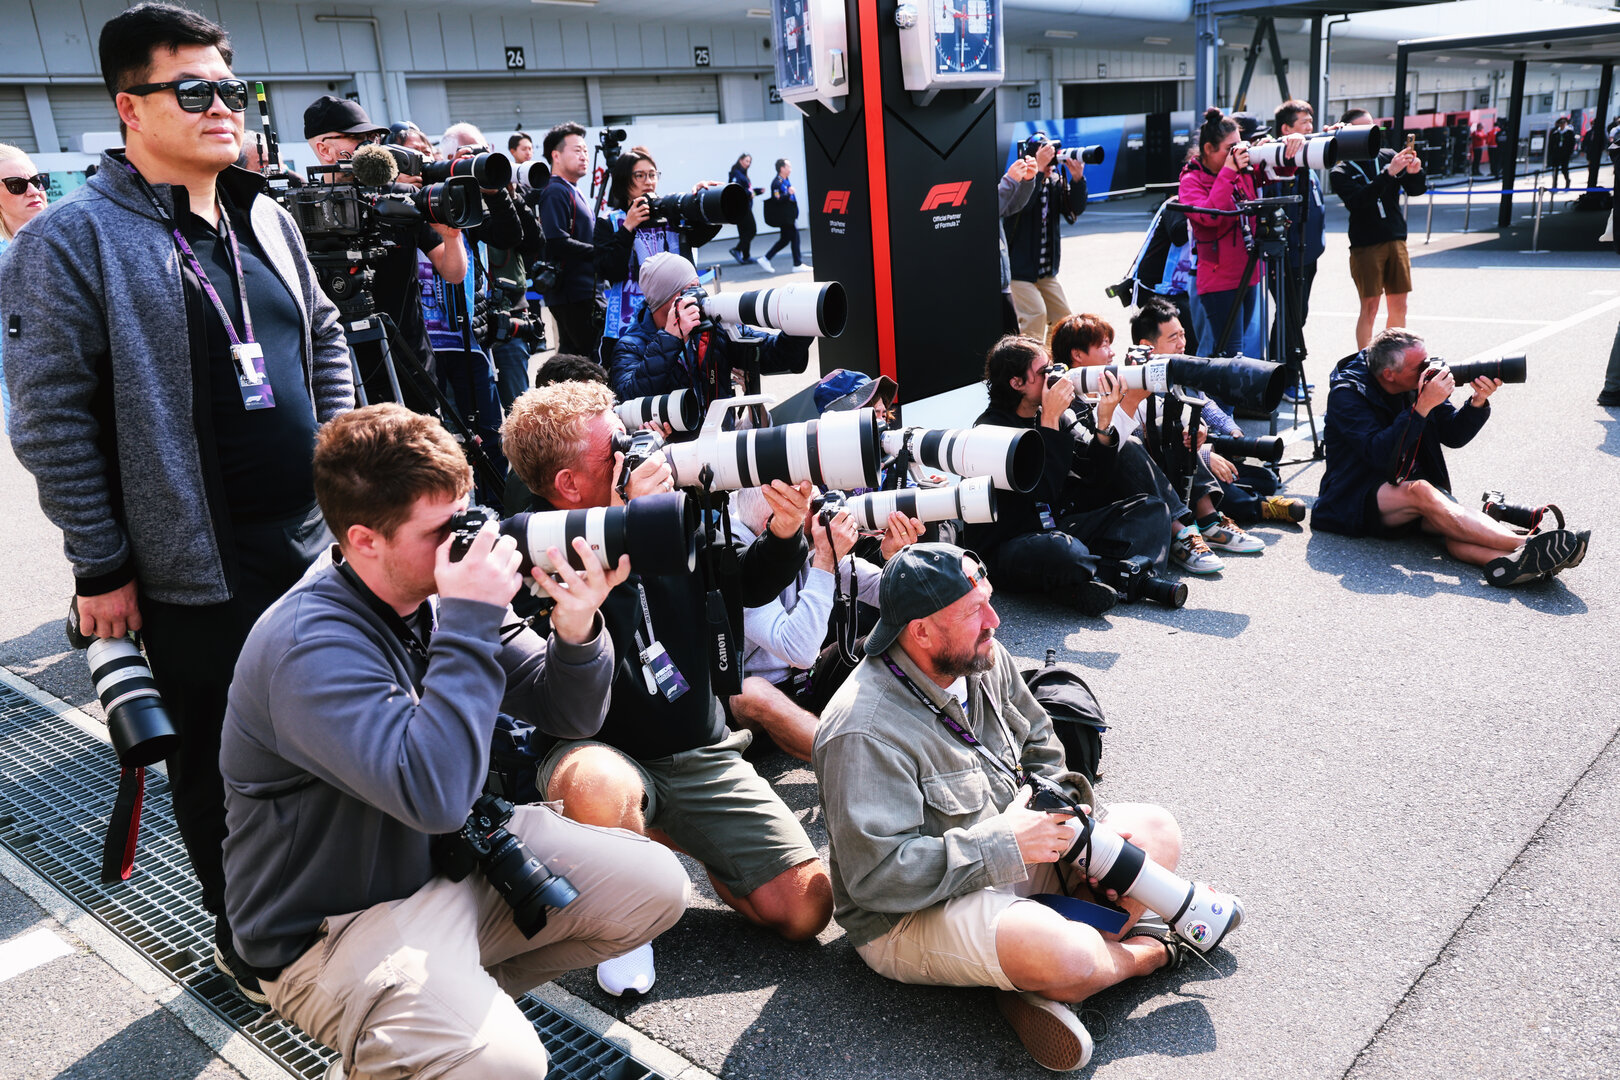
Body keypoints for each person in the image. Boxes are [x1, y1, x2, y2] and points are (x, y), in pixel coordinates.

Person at [0, 1, 353, 1002]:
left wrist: (352, 466)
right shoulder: (69, 242)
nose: (220, 109)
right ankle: (249, 941)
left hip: (315, 536)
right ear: (129, 106)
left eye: (230, 91)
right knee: (224, 760)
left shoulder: (264, 214)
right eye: (191, 91)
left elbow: (323, 340)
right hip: (195, 559)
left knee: (325, 732)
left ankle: (325, 902)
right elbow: (51, 421)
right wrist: (101, 565)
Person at [220, 403, 687, 1079]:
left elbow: (568, 710)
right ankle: (433, 1041)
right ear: (365, 539)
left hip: (450, 868)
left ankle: (426, 1036)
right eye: (443, 530)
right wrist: (470, 616)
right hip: (332, 926)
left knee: (654, 888)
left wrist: (579, 623)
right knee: (507, 1066)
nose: (468, 544)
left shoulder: (437, 590)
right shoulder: (309, 646)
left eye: (467, 516)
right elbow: (435, 794)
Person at [813, 544, 1205, 1072]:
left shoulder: (979, 655)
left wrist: (1076, 824)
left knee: (1158, 830)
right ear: (920, 630)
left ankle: (1029, 976)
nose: (994, 621)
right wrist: (1007, 843)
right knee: (1071, 957)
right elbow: (878, 879)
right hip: (908, 913)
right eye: (974, 610)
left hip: (1015, 849)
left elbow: (1041, 742)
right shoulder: (863, 728)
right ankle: (1146, 952)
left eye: (989, 601)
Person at [500, 381, 833, 958]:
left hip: (698, 750)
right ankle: (626, 921)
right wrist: (623, 526)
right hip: (600, 756)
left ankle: (675, 834)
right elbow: (581, 683)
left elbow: (739, 590)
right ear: (568, 483)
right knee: (600, 786)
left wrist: (784, 531)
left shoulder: (665, 509)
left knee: (807, 910)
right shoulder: (530, 551)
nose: (635, 452)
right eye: (613, 450)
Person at [1314, 330, 1588, 585]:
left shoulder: (1416, 379)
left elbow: (1453, 435)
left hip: (1404, 485)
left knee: (1453, 528)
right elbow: (1379, 455)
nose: (1430, 369)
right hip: (1353, 496)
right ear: (1389, 374)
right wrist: (1422, 406)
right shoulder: (1347, 394)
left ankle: (1521, 563)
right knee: (1421, 491)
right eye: (1420, 366)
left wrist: (1477, 401)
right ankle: (1527, 544)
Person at [968, 335, 1171, 612]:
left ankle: (1102, 579)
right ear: (1016, 383)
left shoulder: (1055, 414)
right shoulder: (990, 430)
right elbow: (1041, 495)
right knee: (1065, 551)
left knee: (1152, 509)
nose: (1054, 379)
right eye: (1044, 373)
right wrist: (1049, 423)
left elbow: (1094, 477)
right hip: (1011, 545)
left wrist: (1103, 422)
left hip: (1056, 526)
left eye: (1053, 368)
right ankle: (1104, 577)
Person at [1050, 311, 1258, 573]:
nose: (1112, 353)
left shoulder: (1112, 381)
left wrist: (1194, 426)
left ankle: (1207, 520)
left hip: (1137, 482)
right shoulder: (1065, 400)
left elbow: (1164, 407)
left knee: (1172, 425)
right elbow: (1095, 454)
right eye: (1103, 345)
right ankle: (1181, 534)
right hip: (1096, 492)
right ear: (1077, 355)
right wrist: (1123, 406)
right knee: (1128, 445)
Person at [725, 484, 922, 760]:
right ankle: (853, 761)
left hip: (808, 680)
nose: (823, 509)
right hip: (751, 711)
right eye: (811, 504)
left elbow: (895, 596)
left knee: (910, 632)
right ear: (775, 521)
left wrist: (895, 558)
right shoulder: (734, 559)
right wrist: (826, 559)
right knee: (752, 691)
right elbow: (800, 651)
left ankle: (944, 727)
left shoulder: (806, 540)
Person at [305, 96, 466, 411]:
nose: (369, 146)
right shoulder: (302, 210)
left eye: (372, 138)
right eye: (356, 138)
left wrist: (452, 237)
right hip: (343, 370)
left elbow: (453, 273)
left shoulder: (400, 198)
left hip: (410, 359)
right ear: (324, 148)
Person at [1126, 300, 1306, 527]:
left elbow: (1207, 406)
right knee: (1213, 487)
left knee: (1265, 479)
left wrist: (1233, 432)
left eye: (1183, 334)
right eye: (1173, 338)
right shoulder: (1136, 380)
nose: (1182, 343)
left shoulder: (1180, 367)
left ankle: (1239, 495)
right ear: (1146, 346)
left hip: (1198, 452)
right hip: (1169, 468)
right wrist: (1206, 458)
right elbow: (1151, 447)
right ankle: (1259, 507)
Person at [609, 251, 809, 407]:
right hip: (675, 451)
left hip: (722, 440)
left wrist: (802, 319)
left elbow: (777, 355)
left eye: (698, 286)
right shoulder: (630, 346)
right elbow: (628, 399)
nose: (699, 295)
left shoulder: (714, 329)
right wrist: (670, 337)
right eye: (690, 289)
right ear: (667, 298)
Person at [1179, 108, 1303, 359]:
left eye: (1241, 144)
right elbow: (1211, 216)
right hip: (1219, 281)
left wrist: (1289, 147)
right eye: (1230, 147)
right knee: (1230, 353)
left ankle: (1227, 398)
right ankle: (1220, 400)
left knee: (1237, 352)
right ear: (1208, 150)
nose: (1238, 152)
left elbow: (1279, 173)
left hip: (1249, 275)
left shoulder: (1242, 169)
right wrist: (1228, 171)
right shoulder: (1191, 181)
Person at [596, 147, 723, 365]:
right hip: (628, 325)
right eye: (640, 175)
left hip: (682, 315)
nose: (649, 181)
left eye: (652, 174)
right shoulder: (610, 221)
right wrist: (627, 228)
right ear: (624, 181)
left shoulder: (672, 214)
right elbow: (610, 270)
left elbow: (704, 232)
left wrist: (705, 200)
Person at [1329, 109, 1426, 351]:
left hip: (1395, 238)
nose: (1371, 133)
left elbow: (1415, 190)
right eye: (1363, 129)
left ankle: (1395, 357)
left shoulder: (1387, 156)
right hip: (1366, 244)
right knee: (1370, 306)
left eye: (1374, 128)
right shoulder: (1341, 170)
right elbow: (1359, 202)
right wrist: (1388, 174)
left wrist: (1415, 173)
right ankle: (1364, 364)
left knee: (1399, 305)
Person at [1004, 134, 1086, 344]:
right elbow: (1023, 205)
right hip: (1019, 270)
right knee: (1035, 315)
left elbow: (1074, 211)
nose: (1050, 164)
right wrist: (1037, 172)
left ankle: (1051, 358)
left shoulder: (1054, 182)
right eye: (1045, 157)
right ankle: (1028, 365)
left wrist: (1077, 180)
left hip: (1045, 271)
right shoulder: (1020, 181)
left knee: (1064, 319)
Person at [1270, 100, 1327, 402]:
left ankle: (1287, 375)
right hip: (1286, 257)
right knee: (1289, 317)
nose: (1309, 127)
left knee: (1297, 315)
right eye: (1303, 122)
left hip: (1307, 255)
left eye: (1310, 120)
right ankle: (1285, 380)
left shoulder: (1308, 155)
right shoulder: (1280, 159)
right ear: (1286, 128)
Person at [0, 142, 50, 434]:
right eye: (17, 185)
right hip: (33, 410)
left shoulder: (78, 237)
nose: (33, 190)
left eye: (36, 180)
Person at [537, 121, 598, 357]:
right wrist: (599, 251)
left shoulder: (571, 188)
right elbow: (555, 240)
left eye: (586, 150)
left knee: (573, 357)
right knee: (587, 359)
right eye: (577, 150)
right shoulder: (555, 190)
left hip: (583, 291)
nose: (584, 156)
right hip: (573, 293)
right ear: (556, 155)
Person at [998, 151, 1038, 333]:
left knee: (1012, 343)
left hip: (1002, 284)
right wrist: (1010, 181)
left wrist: (1028, 181)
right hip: (982, 285)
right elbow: (984, 210)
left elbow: (1012, 206)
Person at [759, 157, 809, 272]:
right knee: (795, 237)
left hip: (789, 216)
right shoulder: (777, 182)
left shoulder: (786, 179)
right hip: (785, 217)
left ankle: (766, 258)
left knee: (785, 239)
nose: (790, 169)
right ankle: (797, 264)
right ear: (782, 168)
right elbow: (777, 199)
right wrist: (788, 193)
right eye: (789, 166)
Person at [727, 152, 762, 265]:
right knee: (752, 230)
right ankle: (737, 250)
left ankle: (746, 256)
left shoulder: (743, 174)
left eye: (750, 162)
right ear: (740, 160)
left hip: (745, 206)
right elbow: (735, 189)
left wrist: (758, 191)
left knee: (744, 232)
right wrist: (749, 193)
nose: (748, 163)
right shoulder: (736, 174)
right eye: (747, 161)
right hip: (741, 207)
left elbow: (748, 191)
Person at [1548, 116, 1576, 191]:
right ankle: (1554, 185)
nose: (1562, 125)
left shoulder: (1569, 132)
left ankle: (1567, 181)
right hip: (1556, 153)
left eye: (1564, 123)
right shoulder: (1555, 132)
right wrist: (1551, 153)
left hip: (1565, 154)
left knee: (1564, 169)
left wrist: (1570, 153)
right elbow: (1551, 144)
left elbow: (1572, 143)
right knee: (1555, 169)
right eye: (1561, 124)